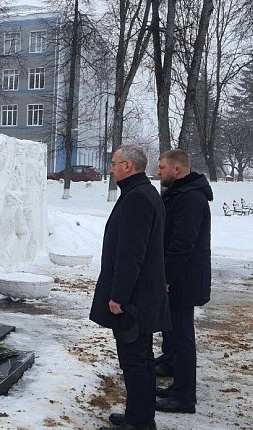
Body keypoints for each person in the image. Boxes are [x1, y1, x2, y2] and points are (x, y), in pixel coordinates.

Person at [90, 145, 171, 430]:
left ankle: (139, 422)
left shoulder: (138, 197)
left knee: (135, 360)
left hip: (134, 298)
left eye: (114, 163)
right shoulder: (143, 193)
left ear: (128, 166)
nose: (111, 168)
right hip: (143, 294)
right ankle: (140, 414)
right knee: (141, 358)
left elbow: (131, 253)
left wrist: (118, 296)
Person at [153, 149, 213, 414]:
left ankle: (184, 396)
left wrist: (166, 278)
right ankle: (174, 375)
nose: (158, 172)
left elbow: (181, 245)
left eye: (162, 167)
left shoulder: (191, 199)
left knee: (182, 336)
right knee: (173, 333)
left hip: (183, 280)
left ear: (177, 170)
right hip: (178, 278)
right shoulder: (179, 194)